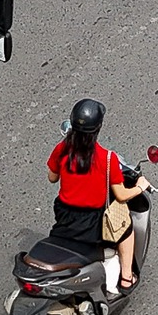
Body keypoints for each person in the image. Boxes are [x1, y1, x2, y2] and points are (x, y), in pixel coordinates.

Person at [46, 99, 147, 290]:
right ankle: (126, 277)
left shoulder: (62, 148)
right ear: (98, 129)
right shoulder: (107, 158)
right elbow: (122, 195)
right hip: (92, 223)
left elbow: (52, 178)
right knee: (126, 229)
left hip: (65, 217)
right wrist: (140, 186)